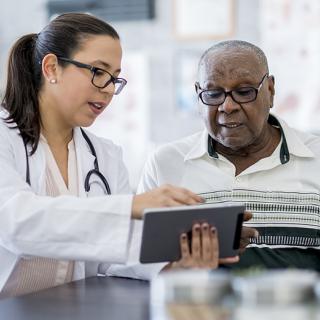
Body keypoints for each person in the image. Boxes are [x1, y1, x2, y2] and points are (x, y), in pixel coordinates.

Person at [0, 13, 227, 299]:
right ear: (52, 68)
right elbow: (15, 224)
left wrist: (175, 262)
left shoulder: (105, 156)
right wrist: (129, 206)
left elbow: (117, 250)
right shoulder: (4, 139)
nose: (108, 90)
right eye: (98, 72)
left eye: (115, 79)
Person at [108, 40, 320, 278]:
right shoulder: (166, 163)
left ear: (269, 91)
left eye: (244, 92)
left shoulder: (316, 159)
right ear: (198, 96)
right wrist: (176, 266)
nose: (227, 106)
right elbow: (124, 259)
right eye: (213, 94)